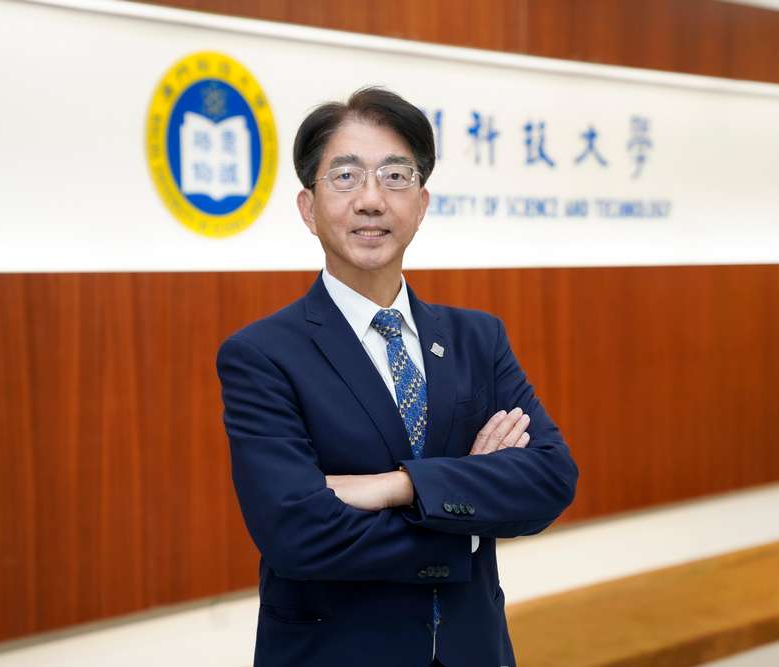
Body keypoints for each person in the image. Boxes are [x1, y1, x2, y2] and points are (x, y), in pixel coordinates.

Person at [217, 87, 578, 667]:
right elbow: (296, 532)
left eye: (395, 176)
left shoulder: (477, 338)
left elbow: (550, 479)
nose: (371, 200)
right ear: (308, 208)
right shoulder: (262, 355)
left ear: (422, 202)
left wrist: (400, 486)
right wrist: (468, 518)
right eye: (345, 177)